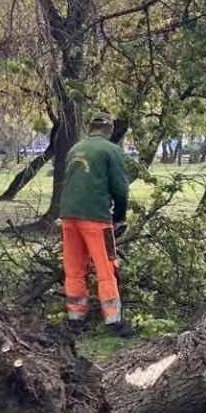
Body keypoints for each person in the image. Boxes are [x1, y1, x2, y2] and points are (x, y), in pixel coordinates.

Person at [59, 115, 133, 336]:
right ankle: (113, 321)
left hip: (69, 216)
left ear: (90, 129)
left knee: (73, 268)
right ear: (109, 131)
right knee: (106, 268)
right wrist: (119, 217)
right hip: (96, 217)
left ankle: (75, 318)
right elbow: (120, 189)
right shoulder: (111, 150)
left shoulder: (75, 149)